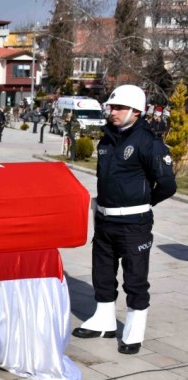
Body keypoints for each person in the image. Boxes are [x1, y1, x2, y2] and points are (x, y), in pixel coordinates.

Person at [72, 84, 176, 355]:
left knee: (135, 277)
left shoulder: (149, 142)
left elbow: (167, 184)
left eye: (118, 108)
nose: (112, 111)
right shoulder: (106, 140)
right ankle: (104, 319)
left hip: (134, 224)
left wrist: (143, 202)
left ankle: (133, 328)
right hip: (105, 220)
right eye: (111, 106)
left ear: (136, 111)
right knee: (102, 273)